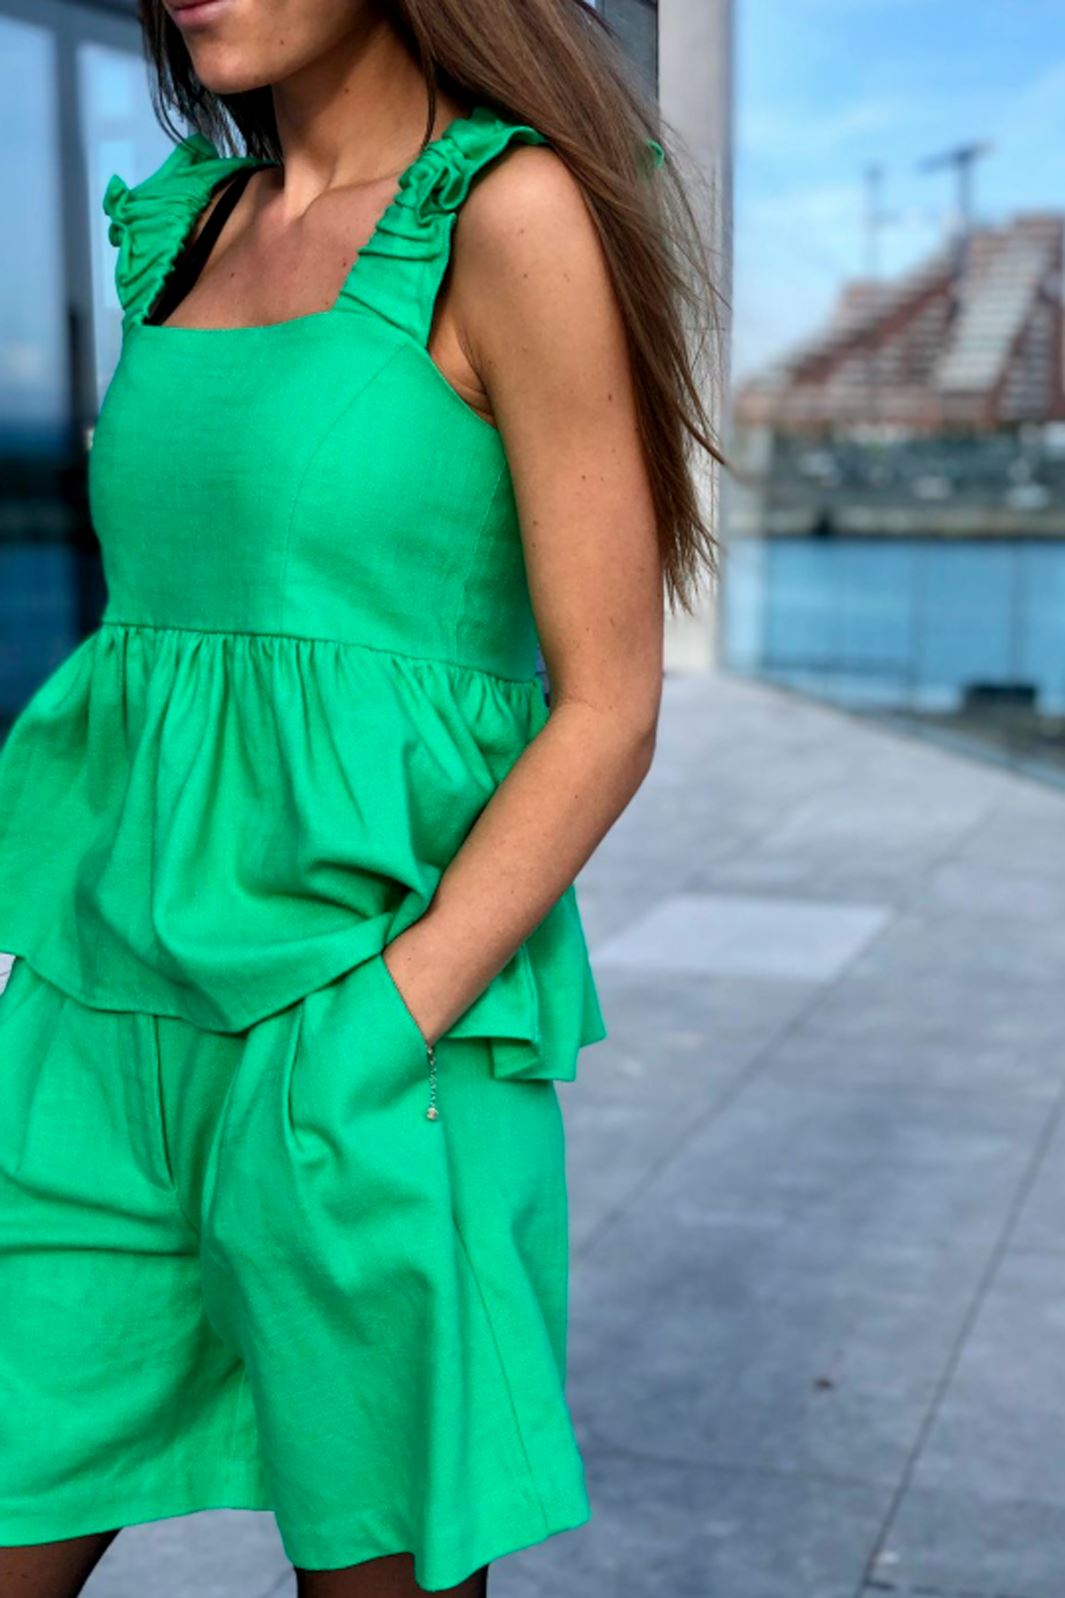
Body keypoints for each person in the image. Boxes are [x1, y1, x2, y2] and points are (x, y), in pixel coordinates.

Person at [0, 1, 723, 1594]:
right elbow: (158, 653)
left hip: (360, 1026)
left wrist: (383, 1020)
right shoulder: (183, 228)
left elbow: (607, 703)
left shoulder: (505, 214)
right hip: (97, 1028)